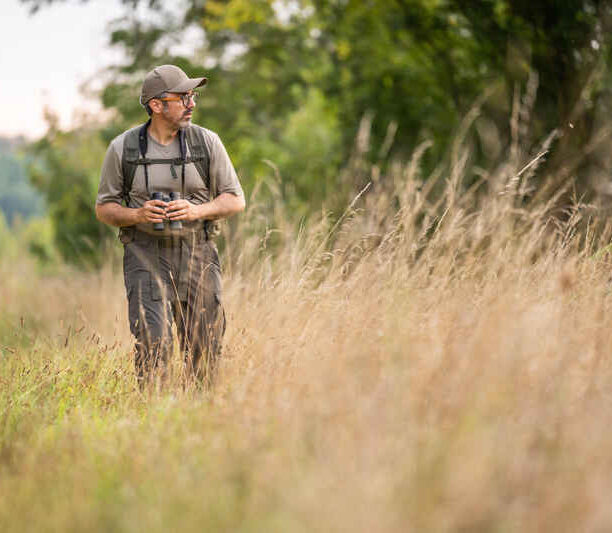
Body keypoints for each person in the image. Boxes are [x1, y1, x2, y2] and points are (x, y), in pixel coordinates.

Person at [95, 64, 245, 387]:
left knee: (205, 351)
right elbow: (104, 209)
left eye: (193, 96)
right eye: (184, 97)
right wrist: (137, 215)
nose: (192, 103)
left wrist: (195, 211)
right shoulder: (123, 149)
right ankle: (154, 421)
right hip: (144, 256)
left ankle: (200, 424)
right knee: (152, 347)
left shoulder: (207, 143)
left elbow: (235, 200)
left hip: (198, 254)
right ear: (156, 105)